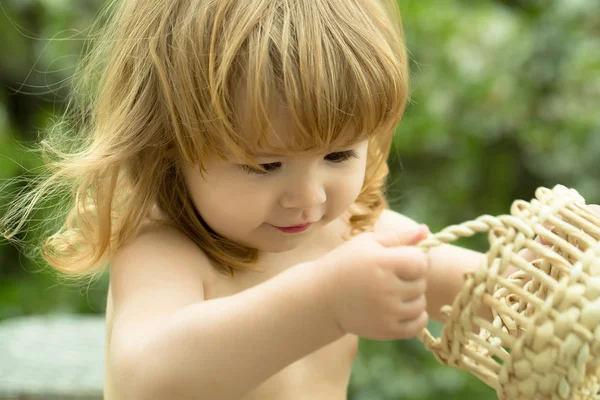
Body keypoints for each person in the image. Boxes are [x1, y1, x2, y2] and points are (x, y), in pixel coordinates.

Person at [3, 0, 594, 399]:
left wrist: (544, 284)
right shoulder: (167, 251)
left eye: (339, 156)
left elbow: (470, 292)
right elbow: (146, 374)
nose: (308, 199)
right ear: (167, 145)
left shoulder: (352, 229)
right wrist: (327, 301)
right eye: (265, 165)